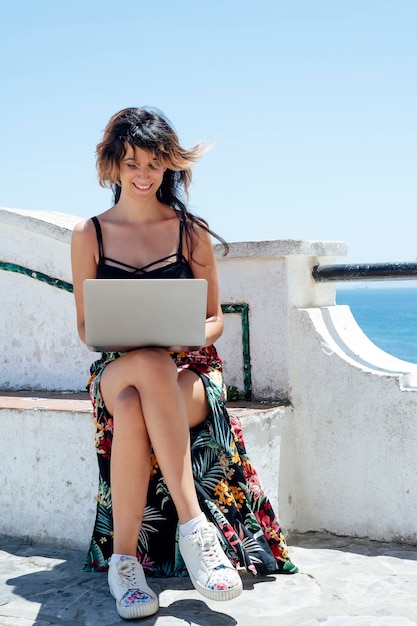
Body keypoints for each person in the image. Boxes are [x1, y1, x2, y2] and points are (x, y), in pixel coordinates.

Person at [71, 107, 297, 621]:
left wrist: (181, 340)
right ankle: (197, 531)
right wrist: (142, 344)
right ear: (113, 166)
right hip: (117, 365)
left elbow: (215, 318)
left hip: (189, 368)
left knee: (135, 404)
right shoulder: (90, 234)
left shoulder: (190, 232)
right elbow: (87, 328)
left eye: (154, 163)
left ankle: (124, 565)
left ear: (169, 166)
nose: (144, 174)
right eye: (132, 163)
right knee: (142, 366)